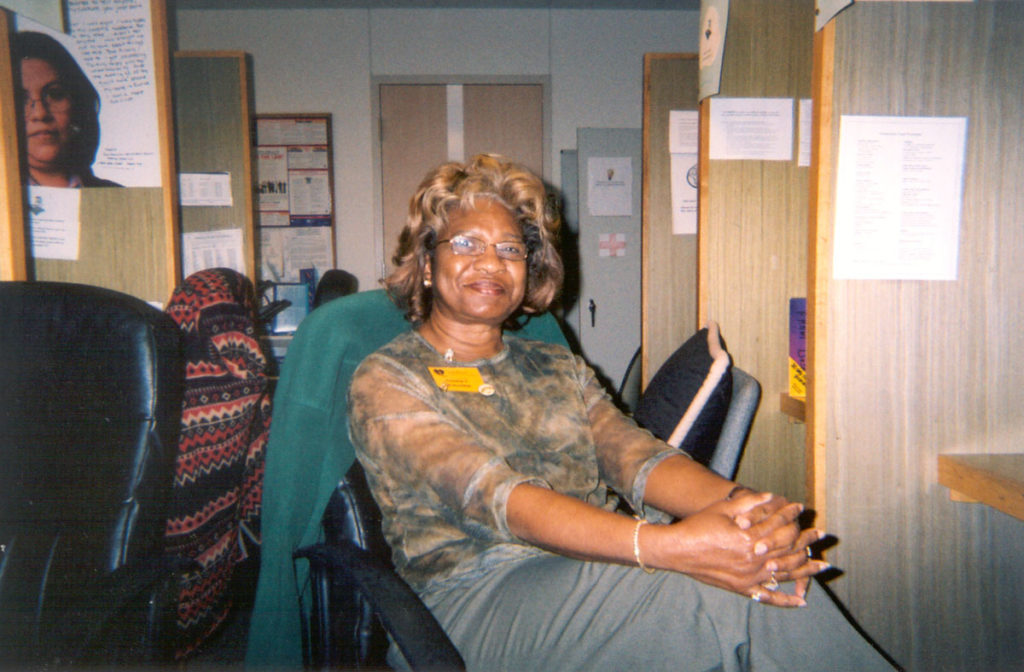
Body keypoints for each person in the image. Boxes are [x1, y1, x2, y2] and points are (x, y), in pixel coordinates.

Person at [347, 154, 895, 671]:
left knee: (767, 571)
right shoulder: (388, 378)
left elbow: (638, 457)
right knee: (723, 599)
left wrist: (749, 512)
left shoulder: (556, 367)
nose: (491, 262)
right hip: (471, 597)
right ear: (425, 261)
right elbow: (500, 499)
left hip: (594, 566)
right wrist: (669, 549)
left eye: (511, 249)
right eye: (466, 243)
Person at [12, 31, 120, 188]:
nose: (40, 113)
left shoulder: (120, 197)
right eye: (20, 100)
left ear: (78, 104)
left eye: (55, 94)